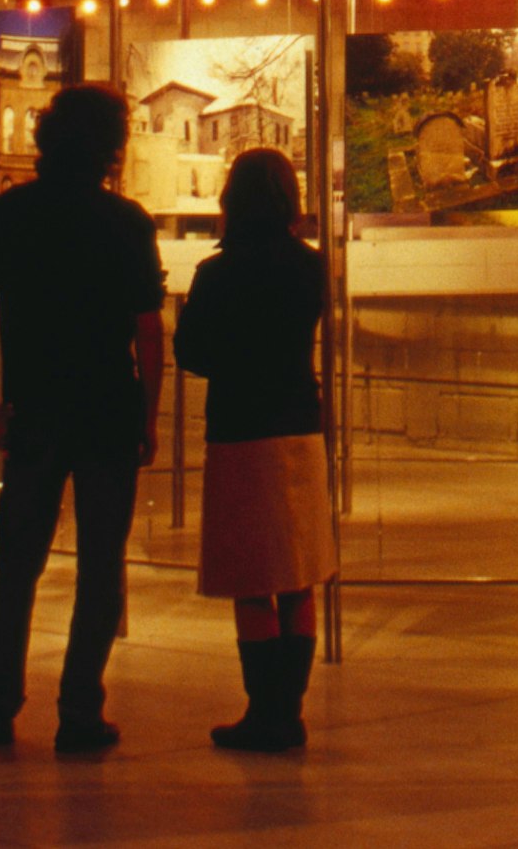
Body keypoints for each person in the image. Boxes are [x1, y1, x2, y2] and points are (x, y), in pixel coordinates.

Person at [0, 83, 166, 752]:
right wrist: (149, 414)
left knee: (17, 563)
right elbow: (146, 330)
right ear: (110, 145)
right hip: (107, 408)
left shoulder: (7, 214)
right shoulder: (127, 223)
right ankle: (80, 708)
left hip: (35, 410)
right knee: (100, 566)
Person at [170, 145, 335, 752]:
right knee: (298, 575)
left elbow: (190, 353)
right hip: (300, 424)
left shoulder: (218, 273)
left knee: (250, 578)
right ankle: (287, 712)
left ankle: (263, 712)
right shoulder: (311, 267)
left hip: (240, 429)